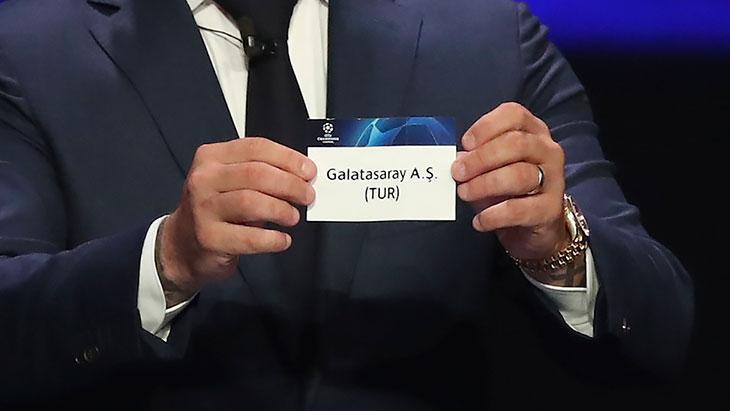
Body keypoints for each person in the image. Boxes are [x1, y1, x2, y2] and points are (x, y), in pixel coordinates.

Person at [0, 0, 693, 409]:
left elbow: (661, 324)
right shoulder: (30, 49)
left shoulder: (487, 34)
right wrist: (166, 260)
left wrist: (559, 246)